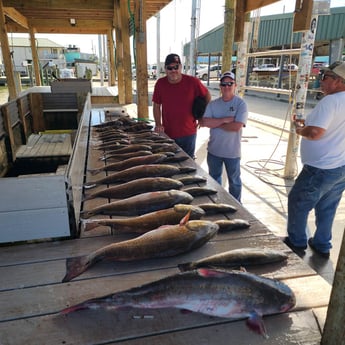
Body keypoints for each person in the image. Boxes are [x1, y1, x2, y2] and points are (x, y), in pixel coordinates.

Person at [284, 61, 345, 258]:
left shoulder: (331, 101)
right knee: (327, 207)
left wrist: (301, 129)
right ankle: (322, 244)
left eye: (325, 77)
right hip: (339, 166)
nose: (322, 81)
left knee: (298, 201)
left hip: (320, 167)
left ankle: (297, 241)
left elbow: (316, 132)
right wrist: (309, 123)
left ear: (338, 81)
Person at [199, 71, 248, 202]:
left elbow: (236, 127)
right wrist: (225, 120)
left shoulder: (241, 104)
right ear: (220, 86)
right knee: (214, 180)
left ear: (235, 85)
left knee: (235, 182)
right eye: (224, 84)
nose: (227, 87)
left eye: (230, 84)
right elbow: (204, 122)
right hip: (214, 151)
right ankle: (217, 203)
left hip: (232, 153)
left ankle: (237, 205)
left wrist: (216, 123)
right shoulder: (213, 104)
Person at [152, 53, 211, 158]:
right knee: (169, 162)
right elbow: (156, 105)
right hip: (168, 133)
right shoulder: (160, 83)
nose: (173, 70)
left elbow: (207, 96)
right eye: (170, 68)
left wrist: (203, 116)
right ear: (165, 69)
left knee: (188, 162)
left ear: (181, 67)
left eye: (176, 67)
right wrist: (158, 124)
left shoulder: (193, 82)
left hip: (189, 133)